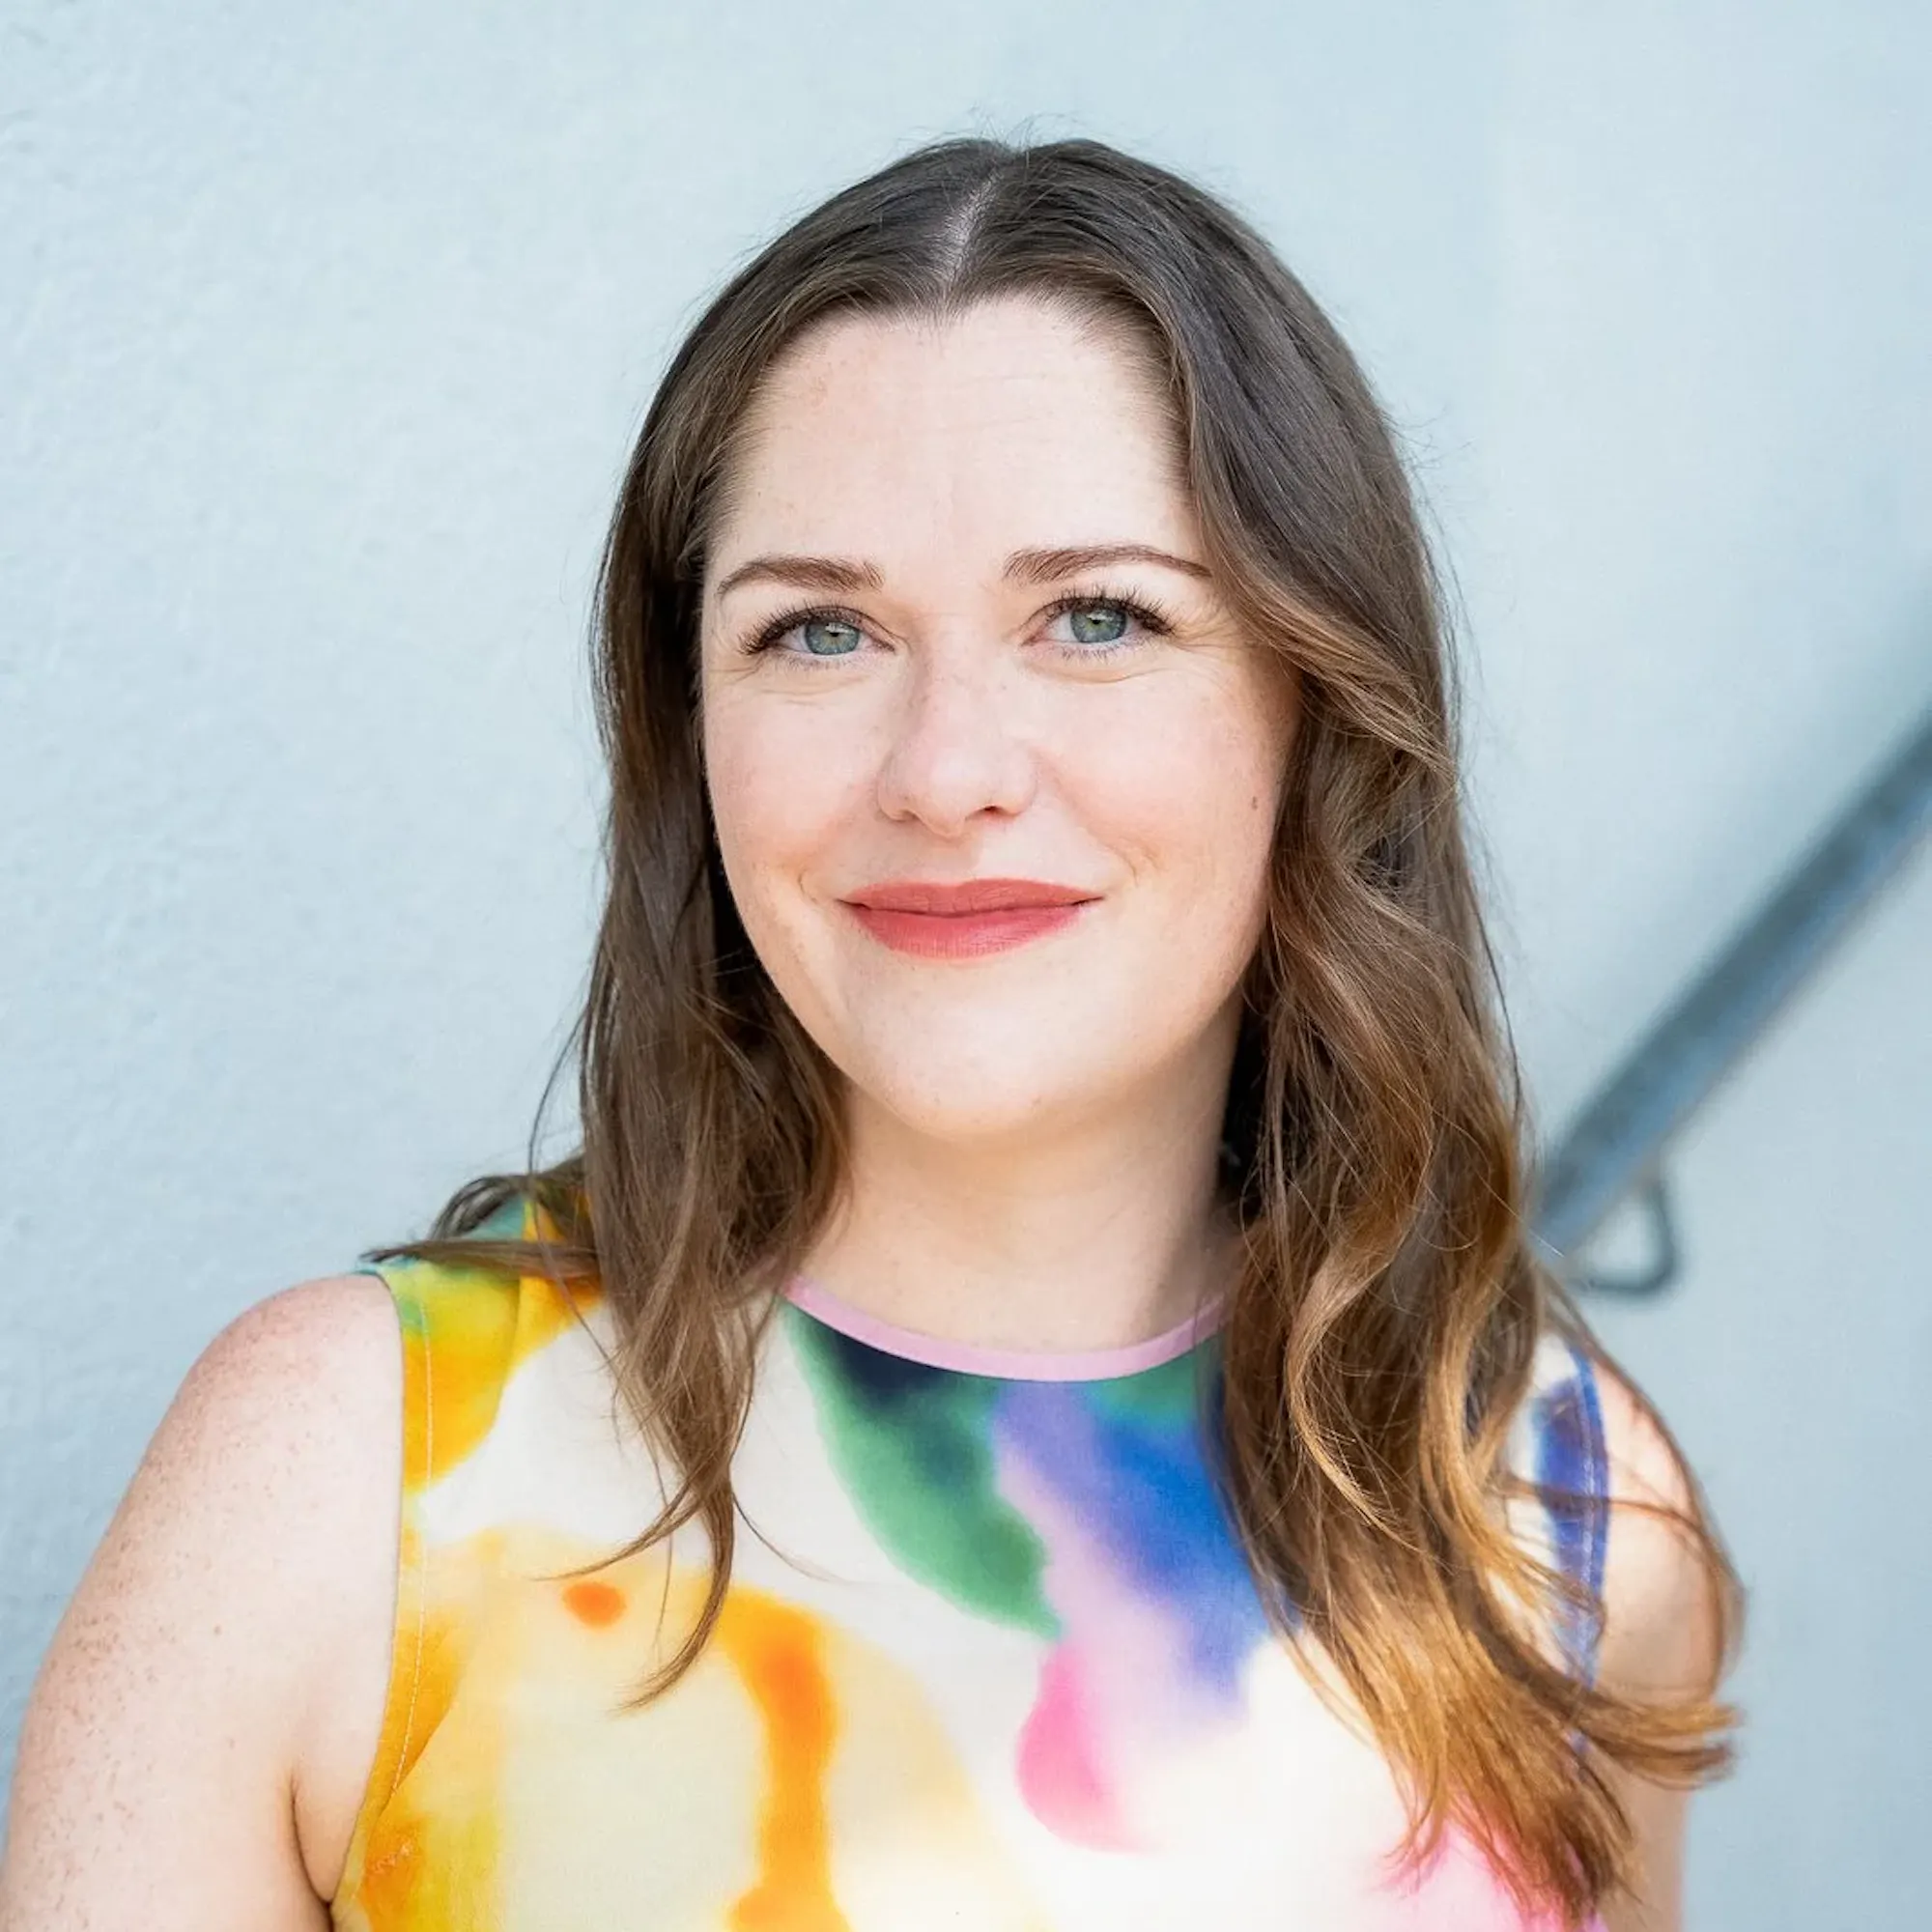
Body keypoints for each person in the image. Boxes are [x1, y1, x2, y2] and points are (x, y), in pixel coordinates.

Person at [0, 136, 1740, 1932]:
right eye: (821, 631)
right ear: (692, 733)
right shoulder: (340, 1477)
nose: (948, 771)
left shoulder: (1562, 1513)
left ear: (1318, 722)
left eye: (1097, 618)